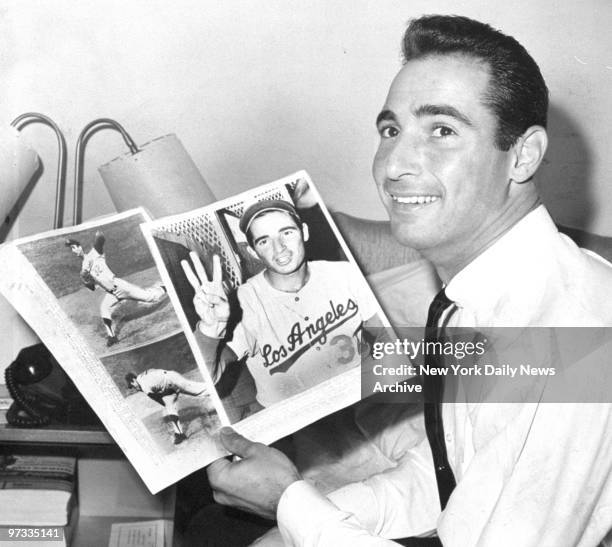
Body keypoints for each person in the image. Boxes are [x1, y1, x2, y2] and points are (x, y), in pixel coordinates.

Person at [200, 14, 612, 547]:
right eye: (391, 130)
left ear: (524, 155)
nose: (393, 165)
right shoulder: (478, 296)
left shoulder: (579, 338)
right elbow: (449, 476)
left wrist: (289, 503)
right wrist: (300, 523)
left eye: (442, 130)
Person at [182, 199, 380, 408]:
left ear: (304, 232)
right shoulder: (244, 301)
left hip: (362, 395)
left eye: (286, 233)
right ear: (252, 251)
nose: (279, 249)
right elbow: (209, 379)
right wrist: (210, 331)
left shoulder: (344, 273)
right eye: (264, 241)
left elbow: (385, 333)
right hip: (299, 419)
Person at [65, 230, 167, 346]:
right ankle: (112, 337)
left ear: (80, 247)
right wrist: (85, 280)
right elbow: (92, 287)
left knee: (151, 298)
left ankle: (165, 286)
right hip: (112, 294)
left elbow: (101, 238)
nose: (74, 251)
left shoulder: (95, 253)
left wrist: (98, 234)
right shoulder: (83, 269)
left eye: (74, 247)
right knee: (104, 308)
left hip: (119, 286)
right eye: (71, 249)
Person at [125, 368, 207, 445]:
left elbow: (156, 397)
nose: (134, 388)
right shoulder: (142, 376)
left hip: (173, 380)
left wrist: (166, 402)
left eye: (132, 385)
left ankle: (214, 388)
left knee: (198, 391)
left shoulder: (143, 384)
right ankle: (179, 434)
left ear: (133, 380)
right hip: (169, 380)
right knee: (170, 407)